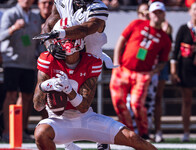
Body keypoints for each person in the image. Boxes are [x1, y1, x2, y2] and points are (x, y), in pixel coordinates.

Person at [33, 17, 158, 150]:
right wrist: (44, 86)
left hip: (86, 118)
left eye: (71, 37)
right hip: (59, 121)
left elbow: (83, 107)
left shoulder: (92, 62)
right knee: (41, 133)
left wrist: (69, 90)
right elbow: (37, 106)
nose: (67, 43)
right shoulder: (48, 60)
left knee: (133, 138)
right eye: (64, 38)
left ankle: (103, 140)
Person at [39, 0, 115, 149]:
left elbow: (86, 28)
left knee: (82, 98)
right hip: (65, 45)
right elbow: (48, 24)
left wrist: (61, 33)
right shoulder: (63, 1)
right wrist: (51, 46)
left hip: (89, 52)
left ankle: (100, 133)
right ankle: (68, 143)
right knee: (55, 91)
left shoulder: (98, 7)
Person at [109, 1, 171, 140]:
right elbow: (121, 41)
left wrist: (153, 72)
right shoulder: (137, 24)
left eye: (160, 12)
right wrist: (116, 63)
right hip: (123, 69)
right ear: (150, 14)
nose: (157, 15)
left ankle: (144, 132)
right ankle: (128, 131)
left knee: (137, 105)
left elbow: (163, 61)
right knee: (118, 102)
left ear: (163, 15)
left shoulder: (165, 38)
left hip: (142, 74)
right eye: (154, 12)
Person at [0, 0, 41, 142]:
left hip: (29, 63)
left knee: (27, 97)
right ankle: (7, 131)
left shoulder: (36, 17)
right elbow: (1, 36)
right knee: (10, 95)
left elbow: (37, 43)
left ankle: (21, 131)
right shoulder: (9, 14)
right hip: (12, 62)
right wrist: (13, 28)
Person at [170, 1, 196, 142]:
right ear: (190, 11)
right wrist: (174, 71)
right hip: (186, 69)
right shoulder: (183, 28)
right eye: (194, 9)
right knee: (187, 101)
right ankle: (186, 132)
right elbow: (175, 52)